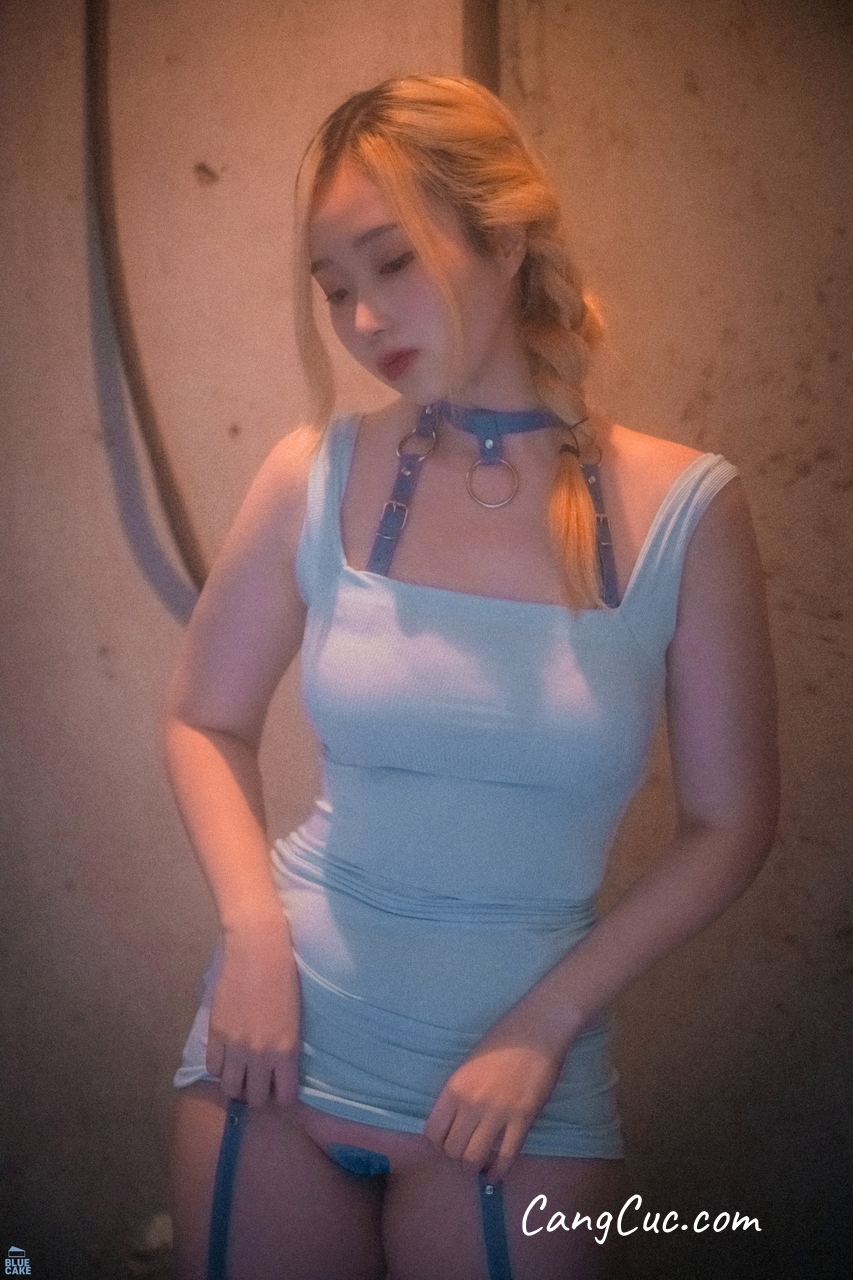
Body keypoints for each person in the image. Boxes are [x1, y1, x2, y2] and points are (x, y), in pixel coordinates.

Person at [166, 75, 779, 1280]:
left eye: (391, 262)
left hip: (518, 1092)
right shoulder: (312, 472)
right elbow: (201, 716)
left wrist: (545, 1022)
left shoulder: (686, 507)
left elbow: (731, 822)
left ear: (504, 236)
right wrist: (249, 931)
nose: (359, 318)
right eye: (332, 286)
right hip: (272, 1052)